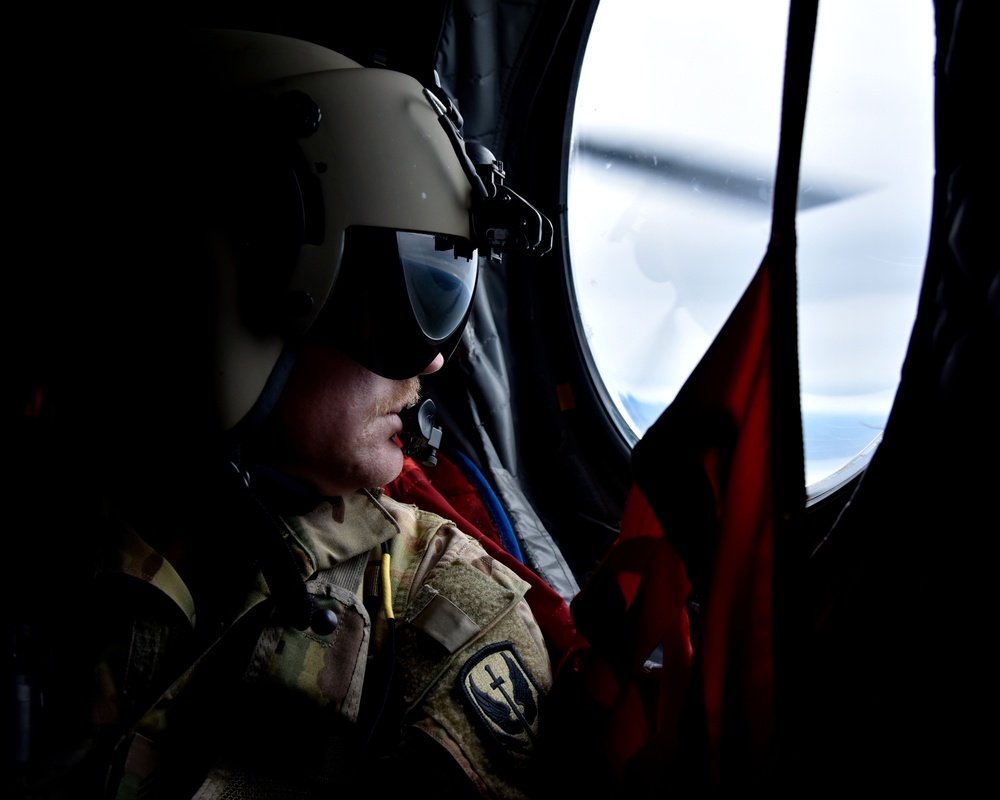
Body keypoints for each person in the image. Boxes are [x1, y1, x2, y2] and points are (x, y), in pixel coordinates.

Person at [23, 28, 555, 799]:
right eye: (393, 304)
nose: (432, 361)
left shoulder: (444, 618)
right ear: (230, 290)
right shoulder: (51, 528)